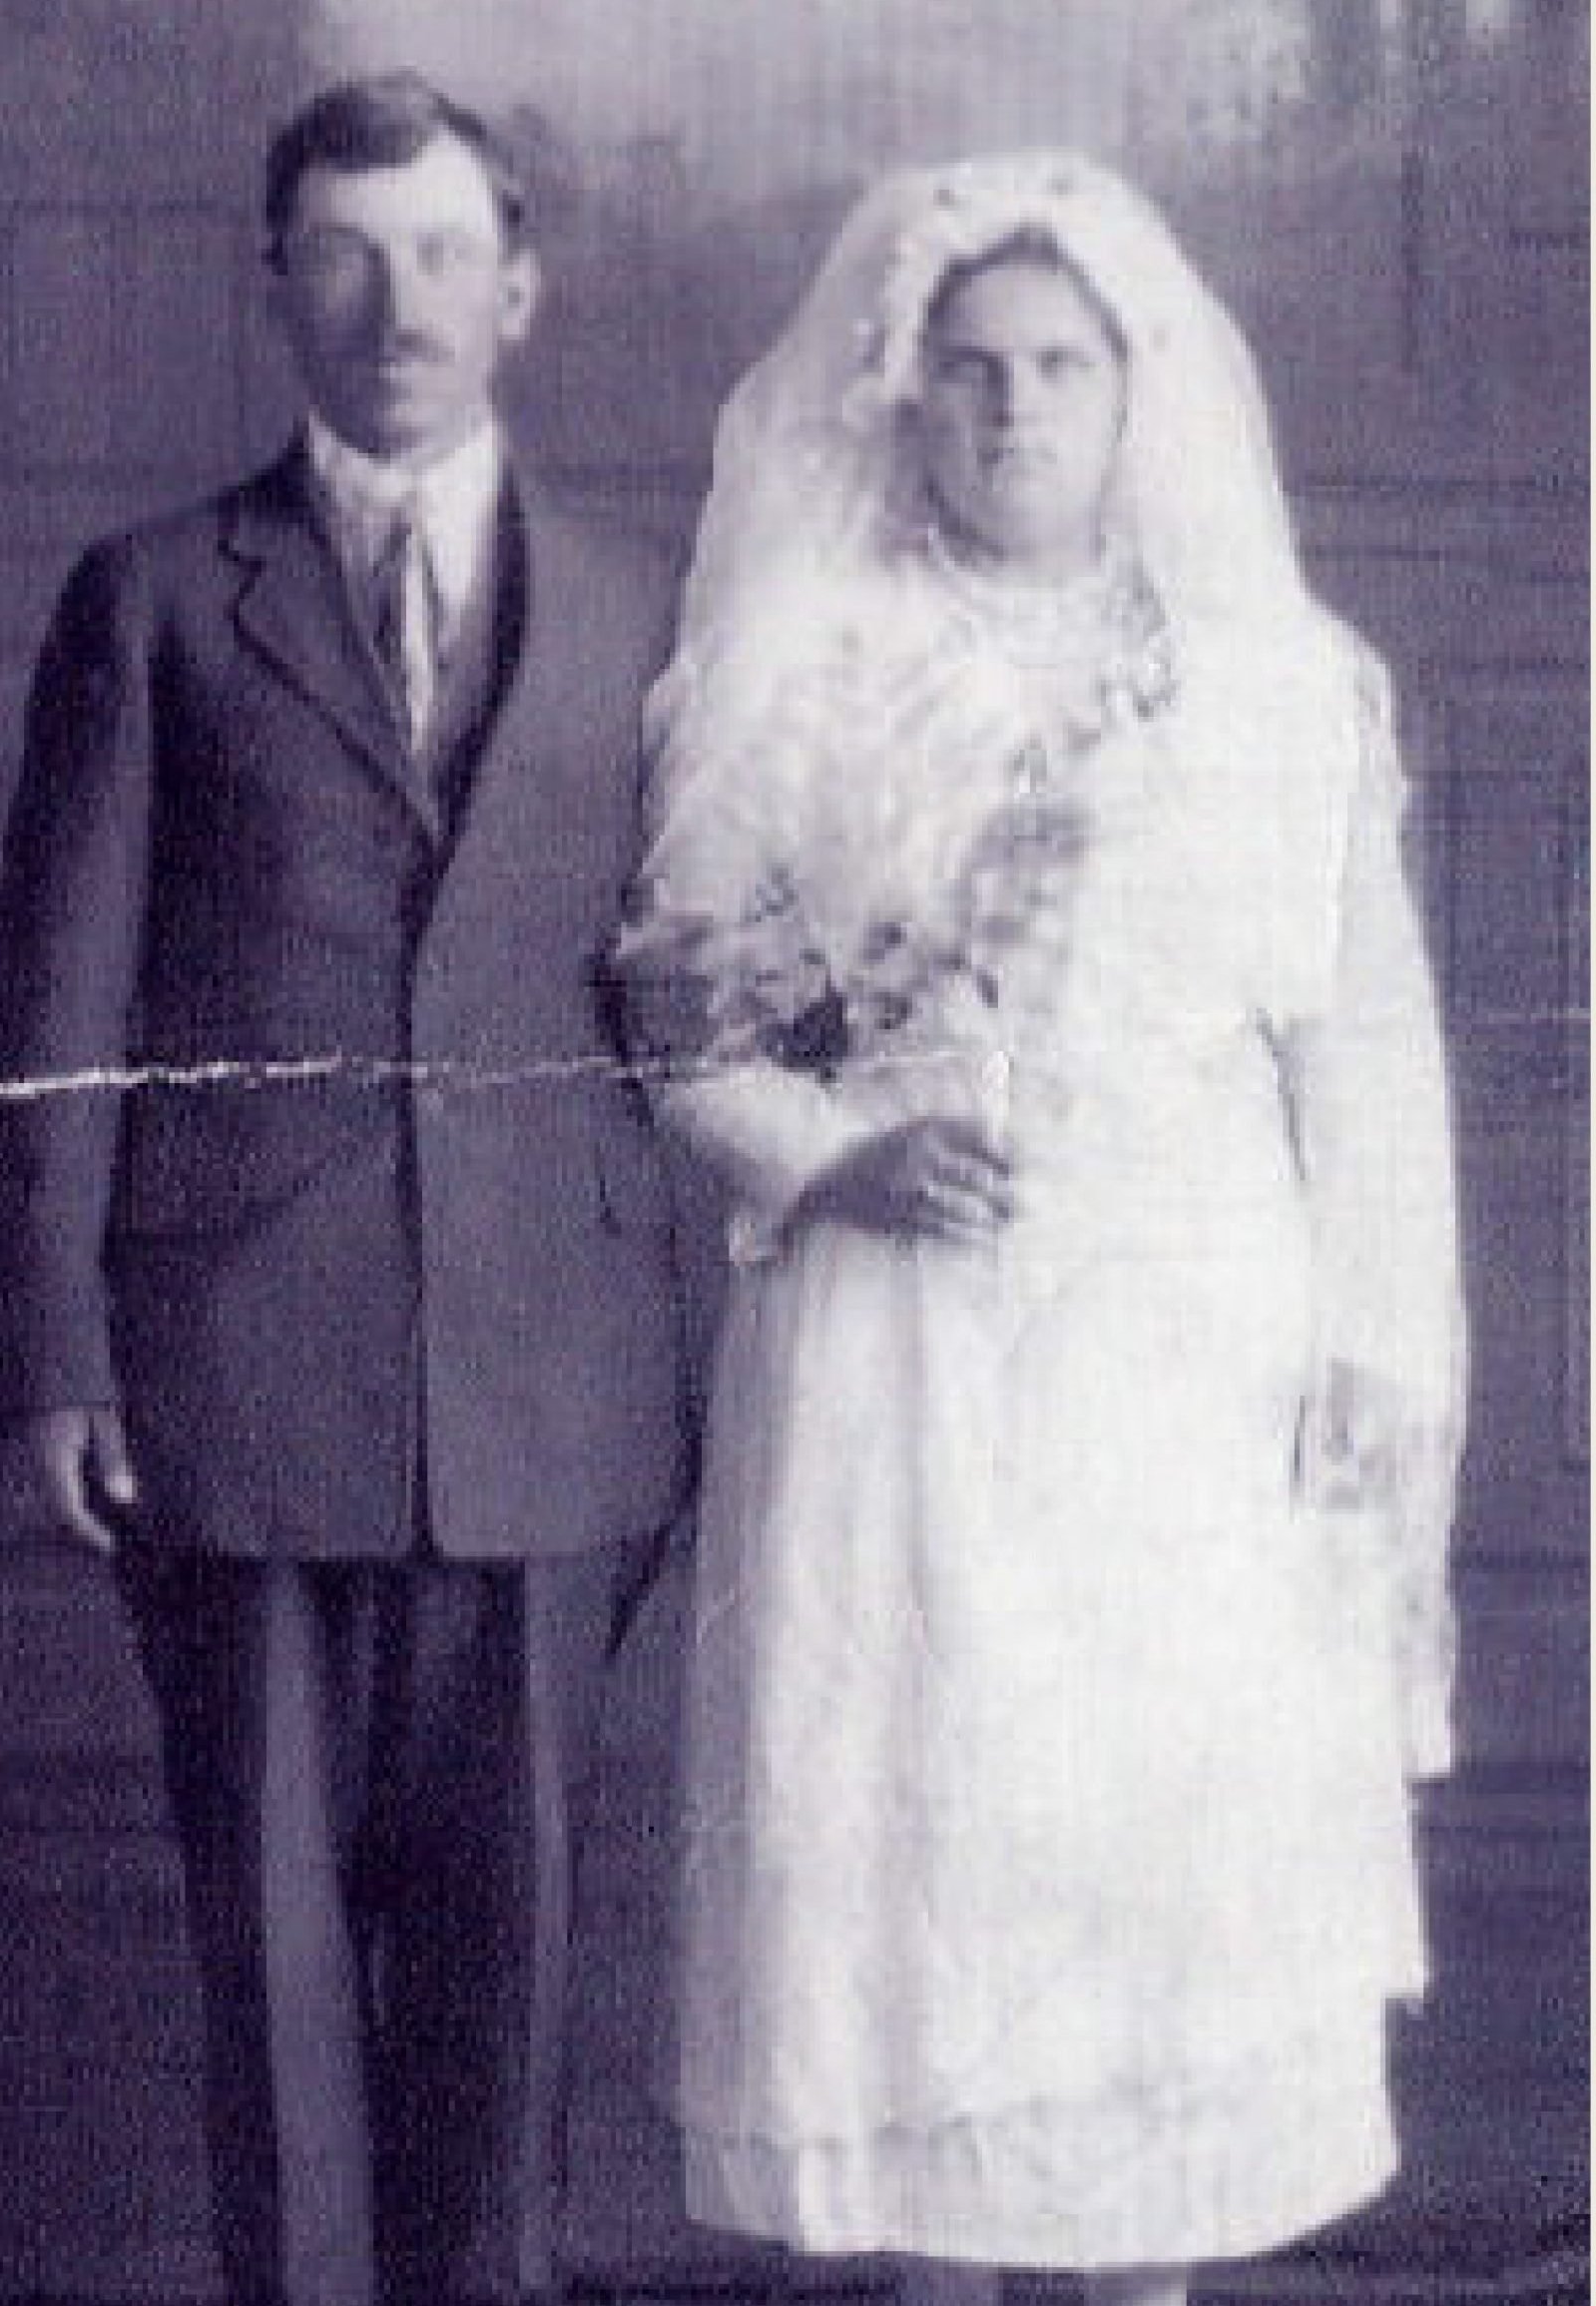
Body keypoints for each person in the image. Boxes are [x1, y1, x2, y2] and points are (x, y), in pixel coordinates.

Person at [619, 155, 1465, 2306]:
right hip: (905, 1356)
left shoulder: (1277, 679)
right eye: (971, 372)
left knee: (1146, 1917)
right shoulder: (801, 661)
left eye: (1058, 369)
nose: (1013, 413)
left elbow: (1364, 1056)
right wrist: (821, 1156)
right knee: (935, 1904)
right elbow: (675, 1013)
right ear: (904, 397)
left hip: (1189, 1363)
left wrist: (1376, 1348)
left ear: (1130, 390)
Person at [0, 72, 689, 2306]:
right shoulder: (158, 600)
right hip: (228, 1378)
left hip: (554, 1381)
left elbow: (700, 982)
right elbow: (60, 1004)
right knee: (273, 1965)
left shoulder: (648, 606)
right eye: (349, 254)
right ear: (276, 281)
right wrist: (56, 1359)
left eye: (448, 252)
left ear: (523, 289)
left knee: (517, 1958)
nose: (402, 303)